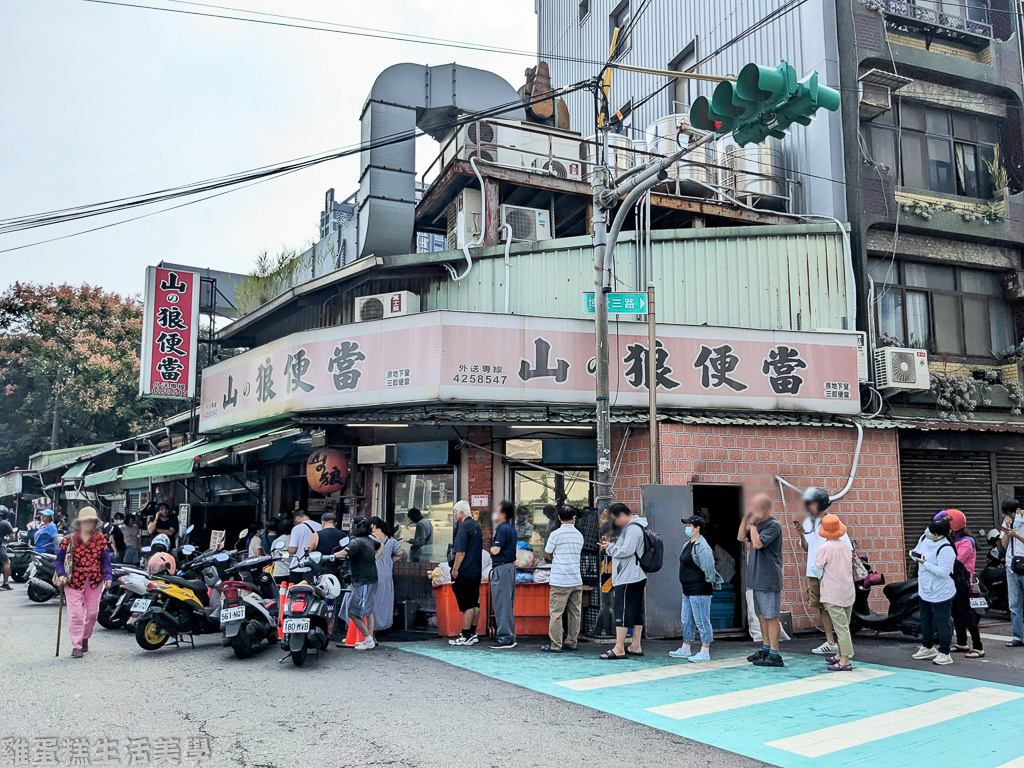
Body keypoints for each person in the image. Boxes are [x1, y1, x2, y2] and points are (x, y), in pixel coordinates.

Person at [795, 486, 851, 657]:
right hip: (814, 571)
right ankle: (830, 641)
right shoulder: (808, 522)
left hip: (831, 573)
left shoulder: (834, 523)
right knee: (821, 606)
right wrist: (801, 535)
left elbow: (846, 549)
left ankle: (842, 647)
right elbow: (806, 548)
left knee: (834, 607)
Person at [54, 507, 112, 659]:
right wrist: (61, 574)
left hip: (94, 579)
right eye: (85, 521)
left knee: (93, 614)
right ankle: (77, 646)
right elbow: (59, 561)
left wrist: (108, 576)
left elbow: (106, 559)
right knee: (76, 615)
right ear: (80, 523)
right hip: (73, 580)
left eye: (91, 521)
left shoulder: (100, 539)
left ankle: (85, 637)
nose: (88, 524)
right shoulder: (69, 539)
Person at [738, 493, 784, 667]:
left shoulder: (773, 526)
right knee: (761, 616)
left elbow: (757, 544)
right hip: (756, 578)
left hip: (768, 578)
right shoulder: (757, 525)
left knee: (771, 616)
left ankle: (775, 653)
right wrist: (746, 518)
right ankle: (765, 648)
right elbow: (741, 537)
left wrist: (754, 523)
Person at [670, 515, 722, 662]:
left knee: (701, 620)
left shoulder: (702, 547)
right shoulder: (688, 544)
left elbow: (709, 567)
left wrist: (708, 582)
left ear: (697, 528)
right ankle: (686, 647)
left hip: (699, 589)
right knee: (686, 619)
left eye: (689, 525)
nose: (687, 528)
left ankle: (705, 650)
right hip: (687, 589)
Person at [600, 502, 648, 660]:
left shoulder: (632, 529)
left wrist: (610, 548)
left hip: (628, 576)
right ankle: (635, 645)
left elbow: (627, 550)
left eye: (615, 519)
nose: (615, 523)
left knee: (622, 609)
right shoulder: (636, 527)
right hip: (636, 575)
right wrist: (613, 545)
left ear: (622, 515)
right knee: (635, 612)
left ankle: (619, 647)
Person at [938, 509, 984, 658]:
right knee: (956, 613)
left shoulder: (966, 542)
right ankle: (962, 642)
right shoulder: (952, 540)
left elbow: (957, 561)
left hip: (962, 581)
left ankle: (978, 647)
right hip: (951, 581)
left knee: (966, 613)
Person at [911, 517, 957, 665]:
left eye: (932, 532)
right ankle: (927, 646)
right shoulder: (925, 538)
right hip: (925, 588)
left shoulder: (946, 549)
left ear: (940, 536)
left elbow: (943, 572)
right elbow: (918, 551)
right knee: (925, 619)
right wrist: (915, 555)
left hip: (941, 591)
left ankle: (945, 652)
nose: (928, 533)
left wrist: (925, 563)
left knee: (942, 621)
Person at [814, 514, 856, 671]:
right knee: (845, 624)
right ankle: (839, 654)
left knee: (841, 627)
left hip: (832, 591)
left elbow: (818, 566)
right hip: (848, 590)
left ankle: (845, 660)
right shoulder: (846, 545)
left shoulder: (824, 548)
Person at [541, 506, 585, 653]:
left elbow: (547, 553)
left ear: (559, 518)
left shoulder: (555, 534)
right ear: (574, 518)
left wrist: (553, 557)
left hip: (560, 579)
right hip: (576, 579)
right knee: (575, 613)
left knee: (556, 613)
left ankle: (555, 644)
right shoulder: (579, 535)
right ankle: (572, 641)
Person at [336, 518, 379, 650]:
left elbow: (343, 553)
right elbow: (381, 546)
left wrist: (328, 556)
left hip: (362, 581)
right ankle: (370, 638)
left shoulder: (357, 542)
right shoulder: (370, 540)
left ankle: (368, 639)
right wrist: (374, 558)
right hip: (370, 578)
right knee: (368, 611)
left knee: (353, 613)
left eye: (352, 526)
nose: (351, 528)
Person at [448, 501, 483, 646]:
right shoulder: (476, 526)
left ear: (461, 512)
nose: (455, 515)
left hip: (465, 570)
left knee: (466, 604)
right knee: (475, 602)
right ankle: (473, 633)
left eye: (455, 512)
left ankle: (465, 633)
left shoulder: (463, 528)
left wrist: (454, 570)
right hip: (476, 570)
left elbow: (460, 552)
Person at [488, 500, 518, 649]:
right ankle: (510, 635)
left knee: (502, 603)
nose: (495, 513)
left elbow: (496, 550)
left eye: (498, 511)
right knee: (507, 603)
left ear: (503, 514)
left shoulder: (502, 529)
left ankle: (505, 637)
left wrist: (490, 547)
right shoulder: (511, 528)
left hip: (502, 568)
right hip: (509, 568)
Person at [369, 516, 404, 633]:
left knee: (371, 601)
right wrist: (389, 561)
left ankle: (370, 629)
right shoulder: (390, 540)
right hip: (386, 574)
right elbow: (400, 552)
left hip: (372, 573)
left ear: (372, 526)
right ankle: (381, 625)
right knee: (383, 601)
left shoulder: (369, 538)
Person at [1001, 498, 1024, 648]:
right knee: (1014, 604)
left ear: (1017, 510)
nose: (1011, 517)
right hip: (1011, 566)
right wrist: (1007, 529)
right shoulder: (1007, 522)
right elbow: (1003, 545)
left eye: (1012, 514)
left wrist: (1017, 535)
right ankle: (1018, 637)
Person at [270, 520, 292, 585]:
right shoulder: (293, 540)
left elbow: (273, 556)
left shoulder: (276, 541)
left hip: (278, 572)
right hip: (291, 572)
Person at [0, 513, 13, 590]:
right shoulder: (5, 523)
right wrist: (7, 540)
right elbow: (12, 537)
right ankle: (5, 583)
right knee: (7, 562)